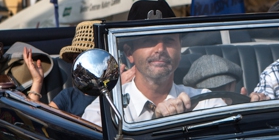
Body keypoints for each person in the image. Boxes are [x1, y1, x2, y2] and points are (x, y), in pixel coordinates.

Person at [82, 31, 225, 124]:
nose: (160, 49)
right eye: (148, 40)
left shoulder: (206, 103)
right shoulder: (105, 110)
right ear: (129, 52)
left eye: (169, 40)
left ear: (180, 49)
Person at [24, 20, 101, 117]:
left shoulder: (117, 91)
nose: (78, 64)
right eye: (75, 58)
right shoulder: (69, 96)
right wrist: (37, 81)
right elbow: (38, 119)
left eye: (85, 58)